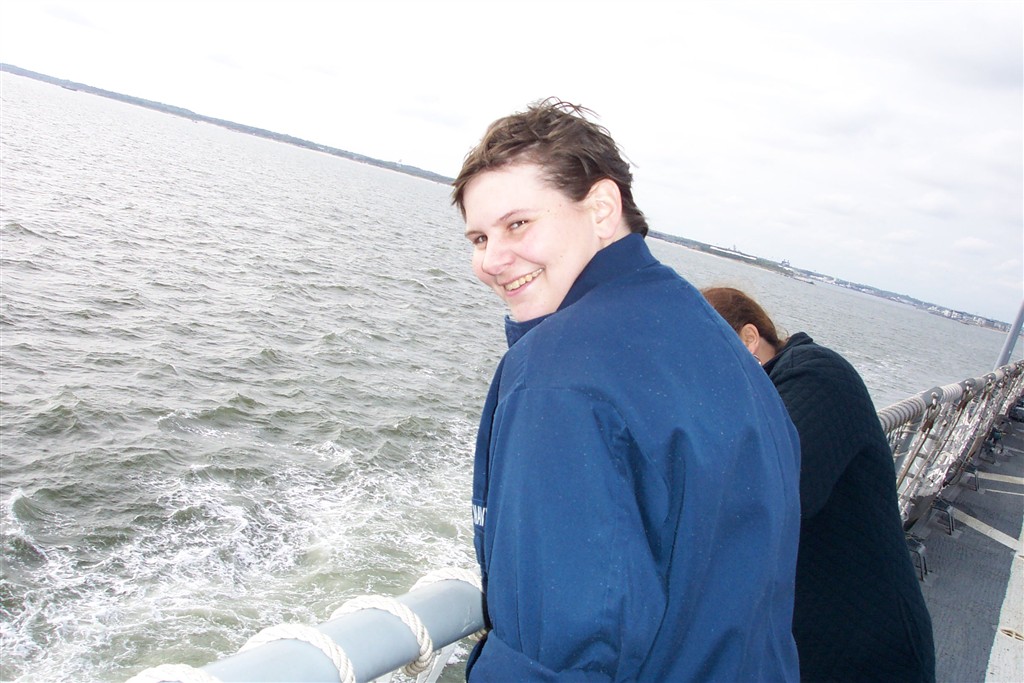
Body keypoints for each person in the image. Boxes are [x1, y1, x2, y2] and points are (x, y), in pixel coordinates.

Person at [451, 98, 802, 682]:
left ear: (601, 209)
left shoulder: (558, 374)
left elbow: (559, 652)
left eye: (518, 224)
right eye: (479, 238)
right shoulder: (712, 338)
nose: (492, 260)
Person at [702, 286, 936, 683]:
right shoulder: (756, 399)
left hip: (870, 646)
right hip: (814, 639)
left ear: (749, 337)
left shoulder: (815, 374)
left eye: (709, 356)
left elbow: (770, 489)